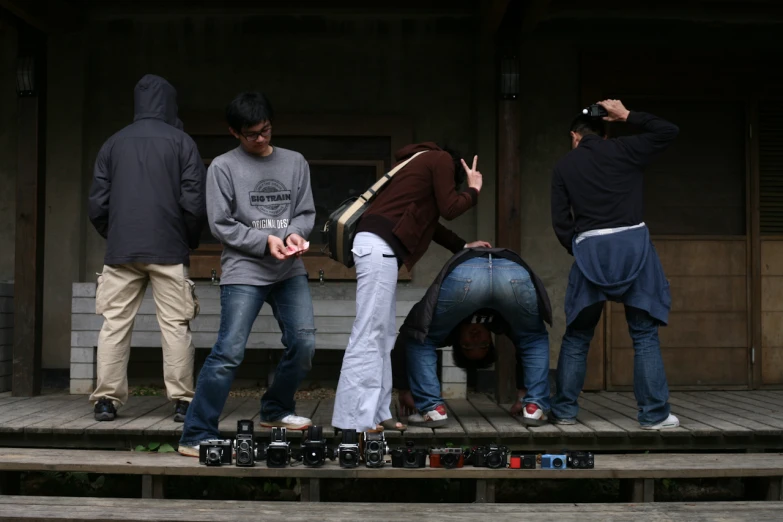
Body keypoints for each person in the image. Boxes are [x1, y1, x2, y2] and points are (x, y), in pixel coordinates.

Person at [178, 91, 316, 456]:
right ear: (234, 132)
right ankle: (195, 434)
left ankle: (276, 409)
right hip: (244, 269)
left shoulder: (295, 162)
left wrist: (294, 235)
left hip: (289, 268)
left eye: (266, 130)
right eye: (251, 134)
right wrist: (264, 241)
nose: (260, 139)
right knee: (229, 352)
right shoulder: (223, 167)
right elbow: (220, 224)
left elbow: (304, 212)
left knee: (304, 344)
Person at [332, 142, 489, 434]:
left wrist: (462, 246)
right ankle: (352, 419)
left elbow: (432, 223)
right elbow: (451, 208)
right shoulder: (440, 158)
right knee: (369, 333)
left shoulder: (419, 168)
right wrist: (473, 189)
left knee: (383, 334)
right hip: (378, 247)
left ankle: (378, 412)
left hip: (381, 248)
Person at [549, 99, 680, 430]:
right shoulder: (625, 149)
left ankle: (564, 412)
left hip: (588, 247)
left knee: (578, 335)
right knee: (643, 334)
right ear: (606, 134)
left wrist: (578, 248)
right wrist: (628, 115)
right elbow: (669, 131)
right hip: (633, 243)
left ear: (574, 136)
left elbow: (561, 222)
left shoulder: (565, 166)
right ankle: (653, 415)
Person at [87, 74, 206, 422]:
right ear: (170, 103)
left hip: (122, 250)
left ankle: (106, 400)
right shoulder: (183, 142)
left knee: (114, 323)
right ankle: (182, 401)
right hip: (168, 249)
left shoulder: (112, 143)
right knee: (176, 325)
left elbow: (97, 204)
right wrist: (187, 238)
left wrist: (116, 233)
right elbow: (194, 202)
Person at [392, 247, 552, 427]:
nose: (476, 339)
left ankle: (431, 409)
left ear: (458, 342)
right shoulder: (500, 324)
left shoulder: (451, 329)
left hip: (470, 270)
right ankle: (534, 408)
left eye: (469, 346)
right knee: (533, 339)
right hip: (511, 270)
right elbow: (528, 344)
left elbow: (410, 332)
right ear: (491, 339)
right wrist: (524, 393)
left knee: (421, 337)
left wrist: (405, 388)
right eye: (483, 345)